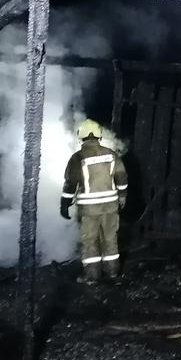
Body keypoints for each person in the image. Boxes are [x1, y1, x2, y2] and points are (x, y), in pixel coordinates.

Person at [61, 119, 128, 282]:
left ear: (81, 137)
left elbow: (70, 183)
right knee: (110, 238)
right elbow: (121, 176)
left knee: (89, 241)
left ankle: (92, 276)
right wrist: (122, 196)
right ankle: (112, 272)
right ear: (99, 135)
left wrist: (64, 204)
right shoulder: (111, 154)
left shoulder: (77, 158)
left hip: (89, 210)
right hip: (110, 207)